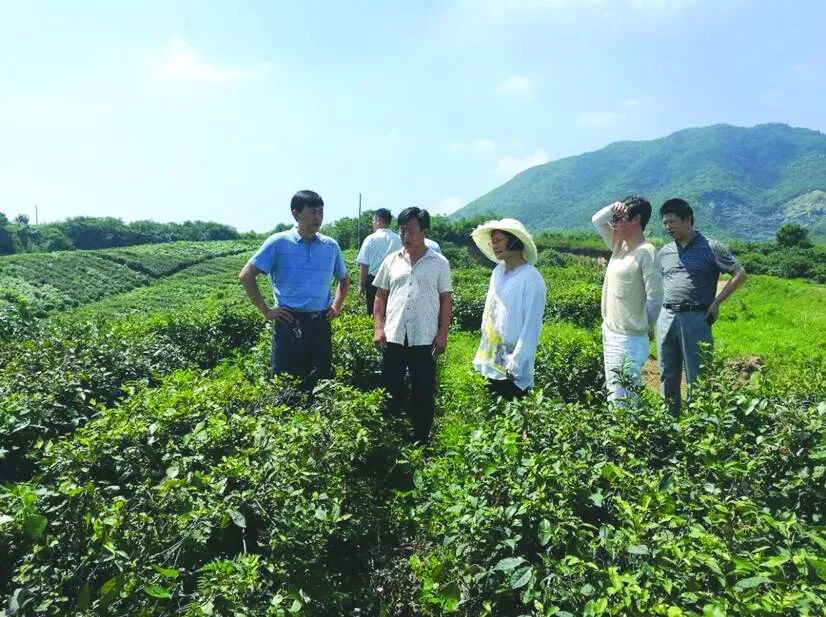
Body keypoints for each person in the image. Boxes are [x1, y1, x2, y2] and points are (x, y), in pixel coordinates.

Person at [239, 190, 349, 391]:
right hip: (289, 321)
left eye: (321, 212)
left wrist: (336, 305)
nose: (318, 217)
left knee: (320, 380)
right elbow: (246, 275)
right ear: (296, 213)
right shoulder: (279, 242)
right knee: (287, 383)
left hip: (320, 322)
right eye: (312, 212)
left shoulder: (330, 245)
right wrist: (267, 311)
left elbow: (344, 278)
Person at [657, 198, 747, 413]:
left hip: (696, 317)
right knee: (667, 372)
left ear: (687, 219)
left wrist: (716, 302)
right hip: (666, 316)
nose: (667, 227)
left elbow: (740, 274)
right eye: (665, 223)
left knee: (698, 373)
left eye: (672, 222)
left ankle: (698, 423)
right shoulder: (665, 251)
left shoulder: (712, 247)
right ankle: (668, 421)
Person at [373, 207, 452, 442]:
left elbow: (446, 299)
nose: (405, 236)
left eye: (410, 230)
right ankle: (391, 437)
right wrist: (378, 327)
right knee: (390, 388)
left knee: (423, 390)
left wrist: (443, 334)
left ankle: (421, 440)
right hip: (394, 335)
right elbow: (380, 296)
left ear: (424, 232)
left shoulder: (439, 263)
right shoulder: (391, 261)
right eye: (402, 230)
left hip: (425, 338)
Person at [592, 196, 663, 404]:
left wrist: (642, 326)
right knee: (616, 395)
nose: (613, 224)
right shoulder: (618, 246)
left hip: (628, 338)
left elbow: (656, 297)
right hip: (610, 332)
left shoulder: (646, 252)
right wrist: (614, 206)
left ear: (636, 220)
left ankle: (633, 436)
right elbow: (597, 220)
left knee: (622, 400)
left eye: (618, 219)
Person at [471, 219, 546, 400]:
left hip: (512, 368)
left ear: (514, 240)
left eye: (499, 240)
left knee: (512, 421)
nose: (494, 246)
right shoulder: (497, 272)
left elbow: (531, 327)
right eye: (492, 241)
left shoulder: (532, 279)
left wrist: (516, 364)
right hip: (490, 359)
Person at [356, 208, 402, 315]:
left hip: (373, 281)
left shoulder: (370, 239)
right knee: (391, 313)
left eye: (373, 220)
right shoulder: (398, 239)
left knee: (373, 313)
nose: (372, 223)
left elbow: (364, 265)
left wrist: (362, 286)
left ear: (378, 220)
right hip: (393, 280)